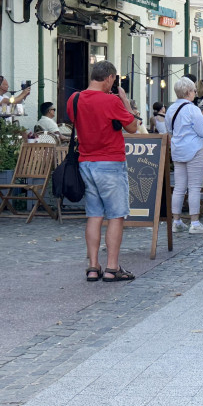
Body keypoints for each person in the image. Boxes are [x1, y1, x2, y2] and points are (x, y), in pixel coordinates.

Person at [66, 61, 140, 283]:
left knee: (94, 215)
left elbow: (77, 121)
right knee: (116, 216)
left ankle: (92, 266)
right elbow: (133, 127)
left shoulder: (74, 99)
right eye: (113, 80)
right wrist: (125, 101)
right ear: (109, 78)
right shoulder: (111, 100)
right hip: (110, 162)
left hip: (85, 162)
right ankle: (112, 267)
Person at [166, 77, 203, 235]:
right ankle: (194, 222)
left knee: (179, 187)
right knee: (194, 186)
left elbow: (170, 130)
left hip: (178, 150)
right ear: (188, 92)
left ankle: (176, 221)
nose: (195, 92)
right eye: (194, 90)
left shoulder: (171, 109)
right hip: (194, 149)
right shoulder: (193, 109)